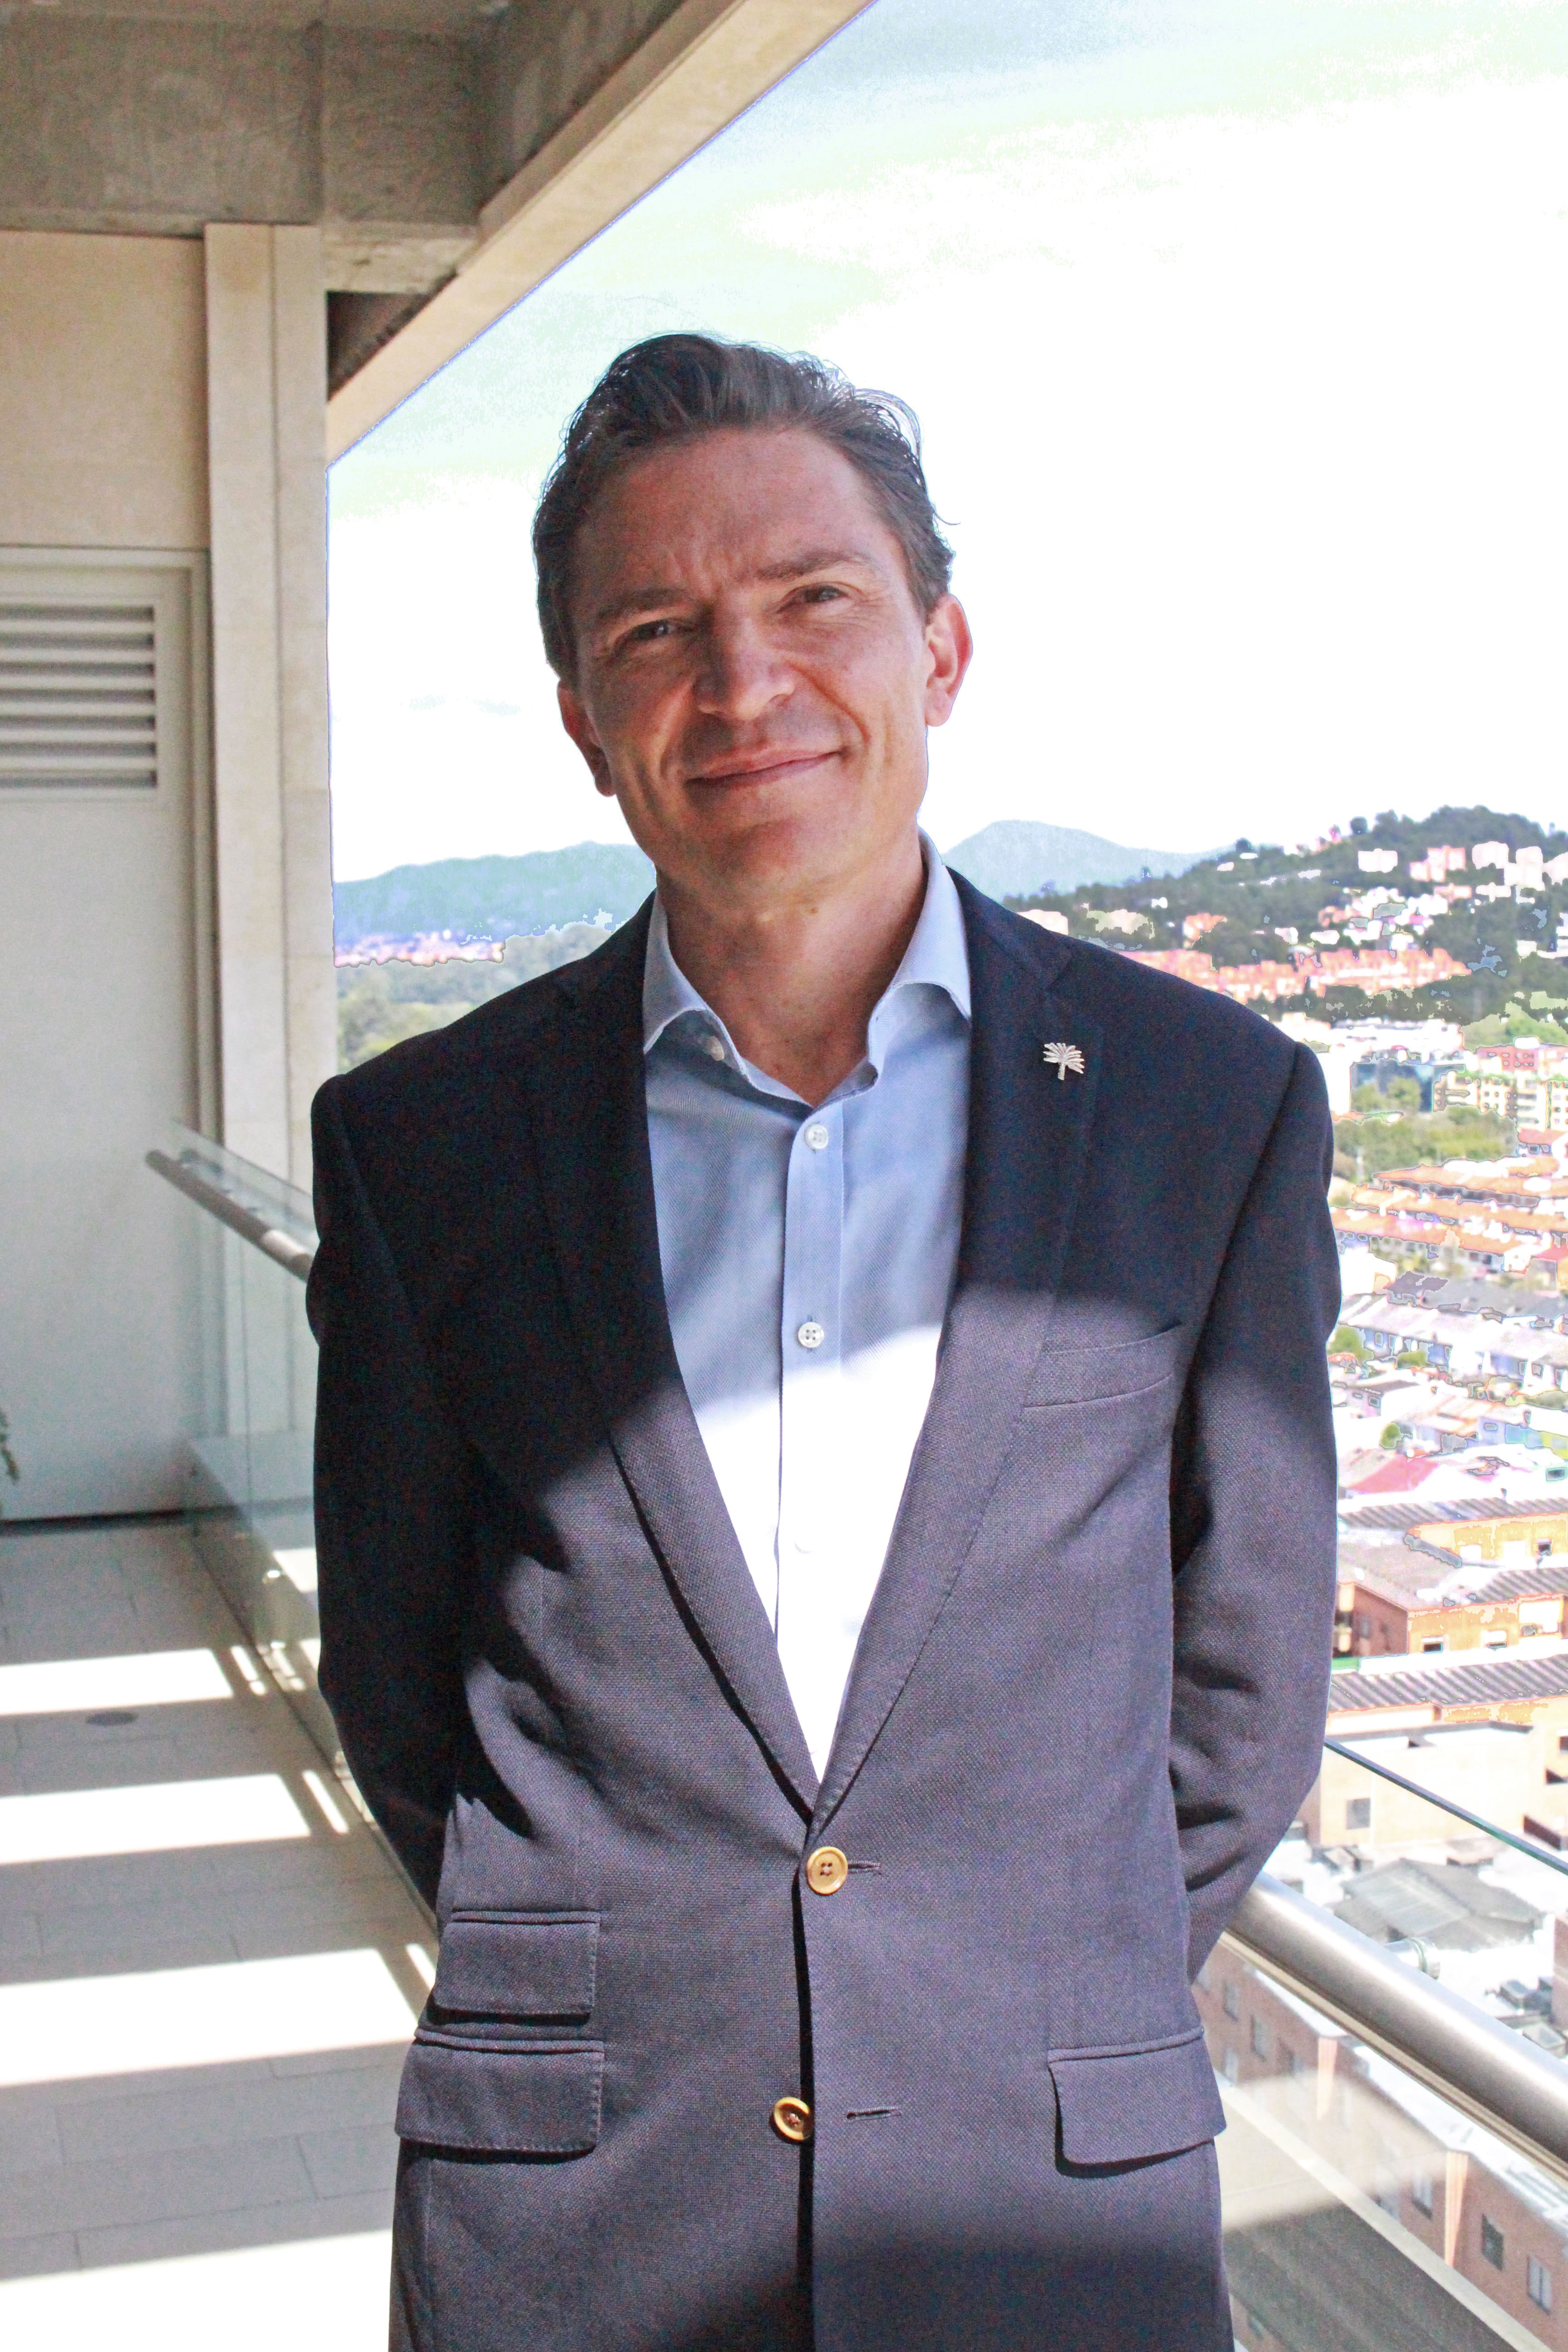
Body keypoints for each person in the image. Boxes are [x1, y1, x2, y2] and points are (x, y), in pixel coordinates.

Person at [308, 333, 1339, 2352]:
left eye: (812, 603)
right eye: (658, 631)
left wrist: (1007, 1995)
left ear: (941, 651)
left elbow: (1244, 1701)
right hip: (579, 2224)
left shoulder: (1206, 1108)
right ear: (587, 725)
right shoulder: (421, 1146)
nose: (743, 686)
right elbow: (406, 1689)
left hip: (1049, 2208)